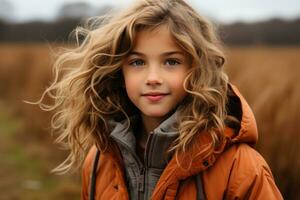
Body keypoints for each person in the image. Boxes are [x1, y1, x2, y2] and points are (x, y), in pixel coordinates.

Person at [38, 0, 283, 199]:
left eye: (171, 62)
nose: (153, 78)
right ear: (119, 72)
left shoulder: (240, 167)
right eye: (137, 62)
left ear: (196, 70)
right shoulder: (100, 160)